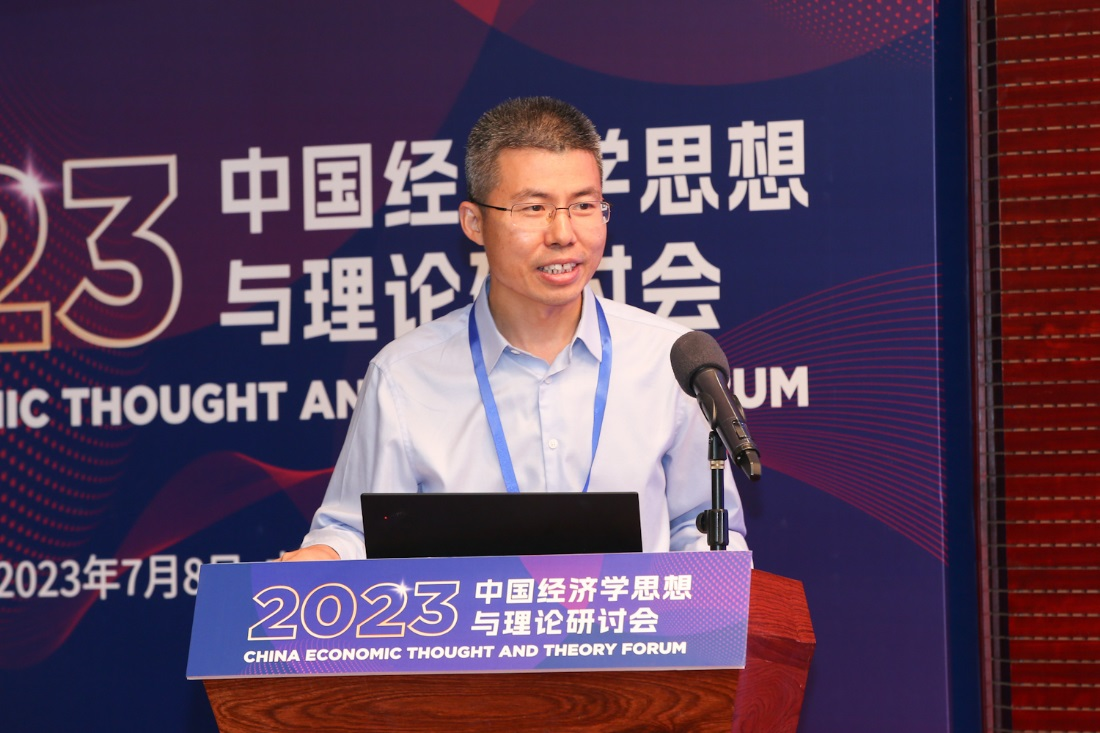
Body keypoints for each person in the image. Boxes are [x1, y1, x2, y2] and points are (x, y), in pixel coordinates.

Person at [280, 96, 747, 562]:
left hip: (633, 613)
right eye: (534, 208)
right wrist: (325, 556)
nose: (563, 234)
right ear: (474, 222)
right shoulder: (404, 375)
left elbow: (701, 524)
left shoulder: (669, 360)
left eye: (584, 205)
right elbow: (356, 531)